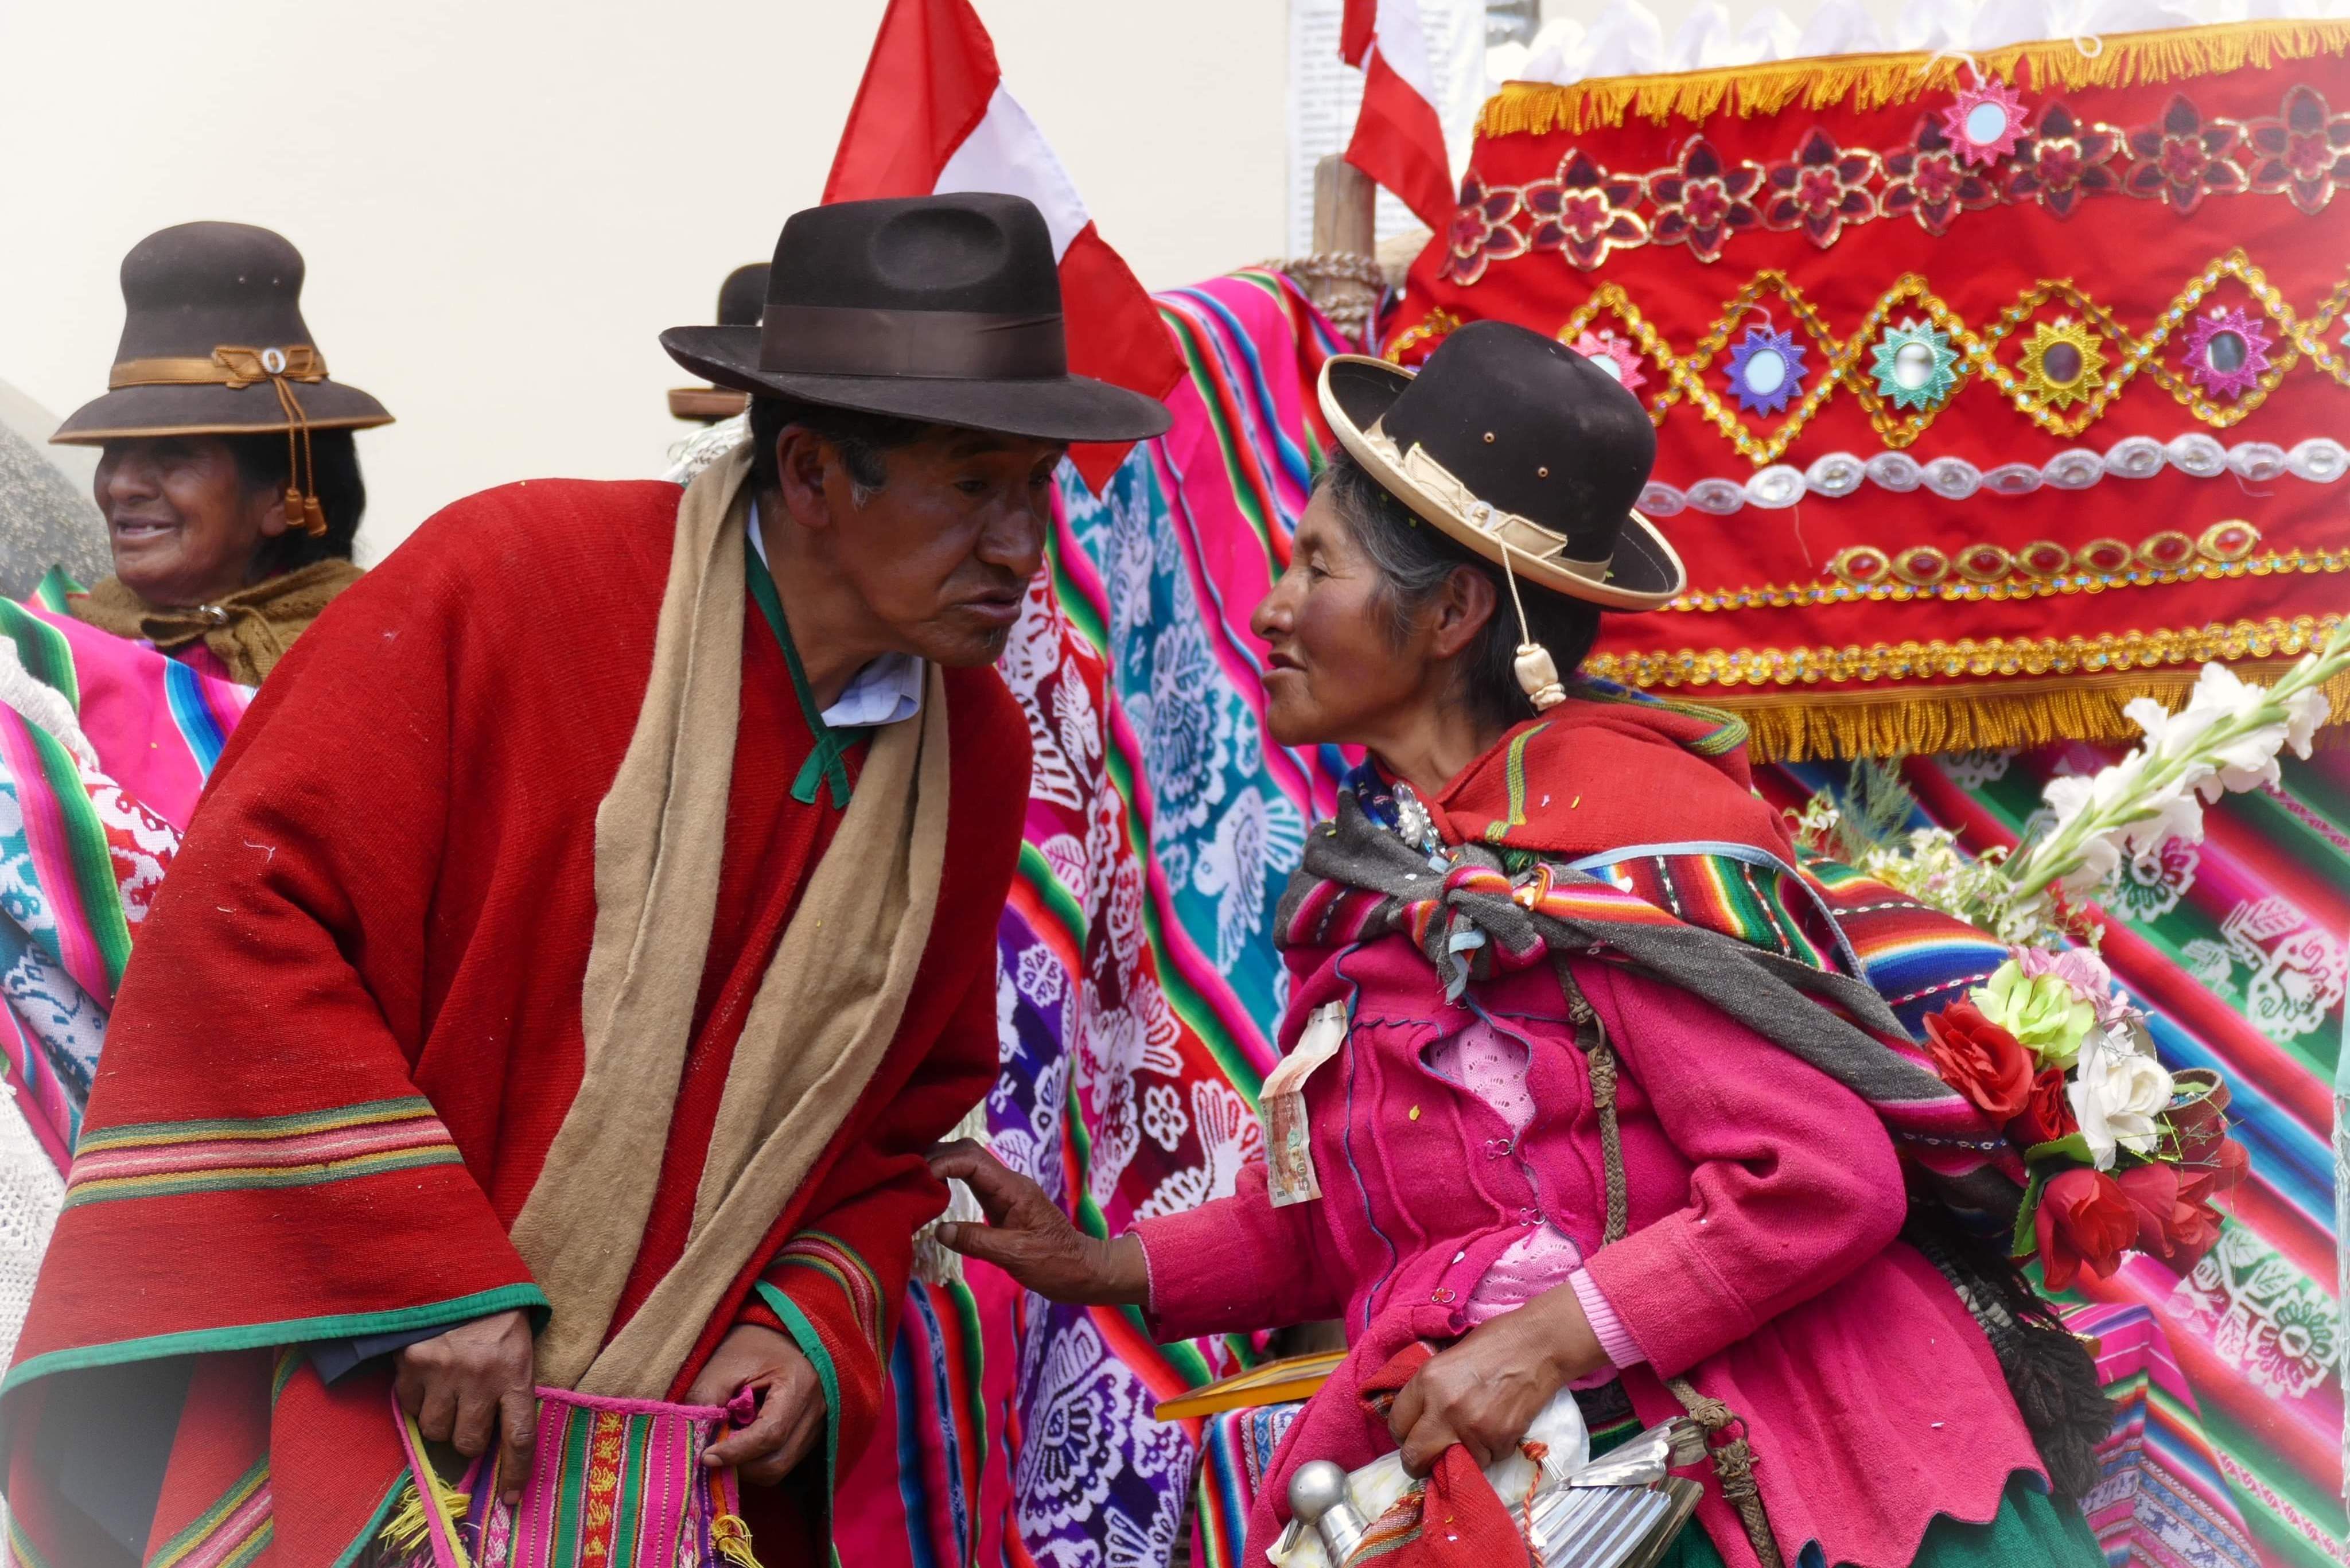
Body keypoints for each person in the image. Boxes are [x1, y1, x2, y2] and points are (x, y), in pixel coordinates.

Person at [1, 192, 1170, 1567]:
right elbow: (242, 916)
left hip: (674, 1475)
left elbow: (897, 1117)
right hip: (379, 1406)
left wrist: (803, 1315)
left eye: (1036, 488)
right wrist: (427, 1269)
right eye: (974, 486)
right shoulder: (510, 585)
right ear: (808, 472)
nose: (1023, 546)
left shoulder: (971, 749)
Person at [932, 323, 2104, 1568]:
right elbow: (1363, 1220)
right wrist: (1098, 1263)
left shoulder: (1614, 852)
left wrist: (1545, 1337)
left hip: (1747, 1473)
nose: (1269, 610)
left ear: (1451, 611)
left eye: (1315, 567)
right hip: (1522, 1467)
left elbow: (1822, 1178)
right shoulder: (1380, 881)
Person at [48, 221, 386, 686]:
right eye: (114, 451)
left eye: (173, 454)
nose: (121, 485)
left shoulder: (374, 658)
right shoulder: (46, 654)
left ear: (279, 496)